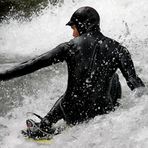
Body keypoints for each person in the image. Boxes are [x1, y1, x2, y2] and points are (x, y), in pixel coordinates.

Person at [0, 6, 145, 138]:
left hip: (73, 113)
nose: (73, 34)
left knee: (73, 93)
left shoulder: (69, 47)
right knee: (114, 78)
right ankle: (113, 117)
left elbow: (31, 64)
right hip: (101, 113)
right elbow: (135, 83)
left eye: (73, 28)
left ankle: (44, 125)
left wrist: (2, 76)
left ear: (83, 25)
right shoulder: (119, 49)